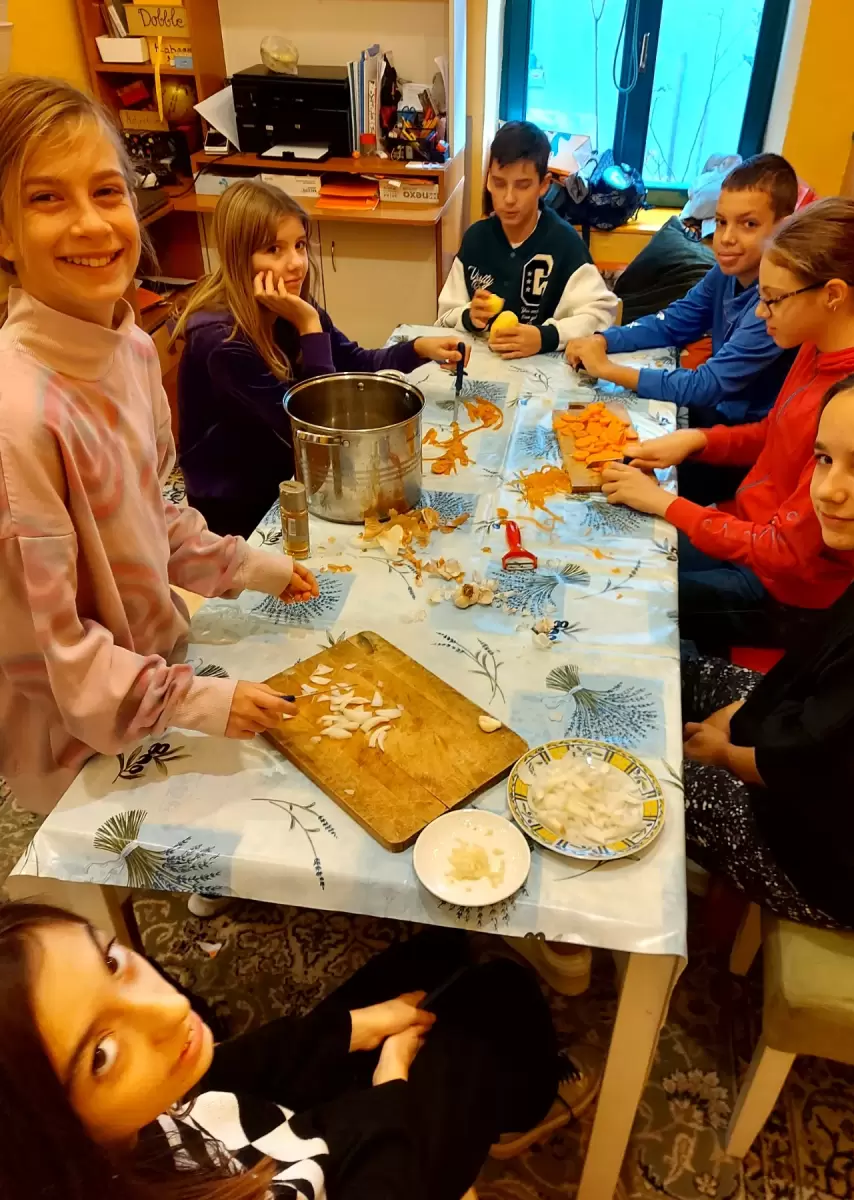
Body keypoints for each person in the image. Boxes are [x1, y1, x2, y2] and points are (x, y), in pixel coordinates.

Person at [0, 76, 316, 817]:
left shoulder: (134, 349)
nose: (91, 224)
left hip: (158, 672)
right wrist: (197, 702)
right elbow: (56, 654)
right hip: (78, 743)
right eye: (47, 198)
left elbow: (156, 514)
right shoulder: (18, 418)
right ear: (5, 235)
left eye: (106, 192)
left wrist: (254, 567)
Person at [0, 901, 602, 1199]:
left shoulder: (125, 1127)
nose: (169, 1010)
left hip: (277, 1125)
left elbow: (226, 1071)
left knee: (432, 953)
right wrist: (390, 1085)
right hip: (361, 1170)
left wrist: (355, 1027)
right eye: (101, 1054)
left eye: (110, 962)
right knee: (502, 1003)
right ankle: (522, 1108)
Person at [678, 364, 854, 932]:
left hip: (848, 868)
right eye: (825, 458)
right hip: (836, 754)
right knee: (676, 670)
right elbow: (816, 678)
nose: (828, 489)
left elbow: (810, 766)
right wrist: (741, 715)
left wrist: (723, 754)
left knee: (639, 783)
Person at [600, 197, 854, 654]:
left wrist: (666, 503)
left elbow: (786, 551)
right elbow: (775, 432)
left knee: (621, 589)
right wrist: (697, 439)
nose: (761, 312)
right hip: (750, 533)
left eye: (773, 299)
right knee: (621, 537)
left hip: (786, 593)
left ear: (832, 295)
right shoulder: (817, 343)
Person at [174, 181, 468, 538]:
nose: (296, 263)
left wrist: (418, 348)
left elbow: (354, 361)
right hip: (240, 510)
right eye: (273, 249)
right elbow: (314, 429)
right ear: (239, 257)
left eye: (299, 245)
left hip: (288, 474)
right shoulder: (221, 342)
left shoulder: (289, 308)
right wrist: (309, 325)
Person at [566, 154, 800, 428]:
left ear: (784, 228)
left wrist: (608, 370)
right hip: (714, 414)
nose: (726, 238)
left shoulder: (776, 304)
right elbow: (673, 323)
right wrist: (604, 339)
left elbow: (707, 385)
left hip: (744, 434)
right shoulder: (725, 273)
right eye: (721, 222)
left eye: (749, 224)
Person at [436, 120, 617, 359]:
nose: (509, 198)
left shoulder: (564, 243)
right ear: (488, 180)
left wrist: (546, 336)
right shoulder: (476, 239)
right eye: (499, 183)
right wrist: (469, 316)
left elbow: (602, 315)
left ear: (544, 185)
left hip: (545, 374)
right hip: (481, 367)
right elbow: (444, 316)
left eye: (522, 186)